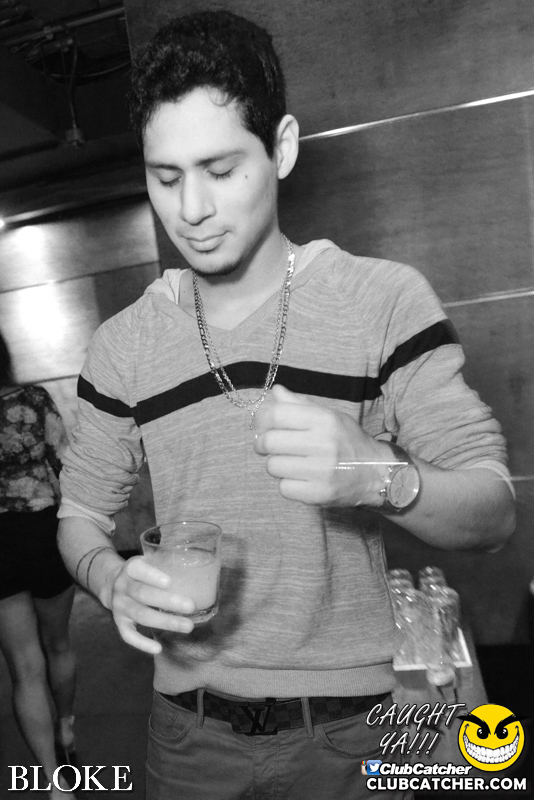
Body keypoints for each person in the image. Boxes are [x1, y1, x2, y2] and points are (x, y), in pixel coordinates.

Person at [57, 9, 515, 800]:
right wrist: (108, 578)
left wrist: (377, 473)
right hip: (188, 735)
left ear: (283, 147)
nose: (191, 209)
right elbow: (79, 516)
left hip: (361, 730)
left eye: (220, 169)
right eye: (165, 177)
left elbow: (494, 511)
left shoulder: (382, 302)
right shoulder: (124, 344)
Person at [0, 332, 77, 800]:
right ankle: (65, 724)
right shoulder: (32, 399)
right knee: (59, 644)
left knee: (24, 667)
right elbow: (65, 462)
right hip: (41, 532)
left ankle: (54, 783)